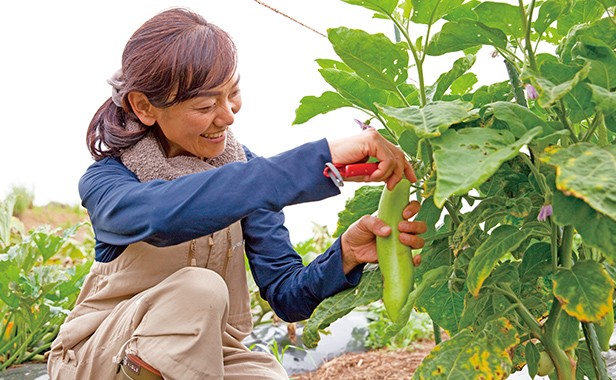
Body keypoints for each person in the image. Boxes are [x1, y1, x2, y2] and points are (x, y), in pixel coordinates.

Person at [47, 7, 427, 380]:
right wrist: (317, 158)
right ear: (144, 106)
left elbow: (287, 294)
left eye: (233, 93)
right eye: (206, 105)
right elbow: (158, 216)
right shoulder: (108, 181)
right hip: (100, 358)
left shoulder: (248, 176)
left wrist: (345, 254)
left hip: (213, 355)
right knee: (199, 289)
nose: (228, 116)